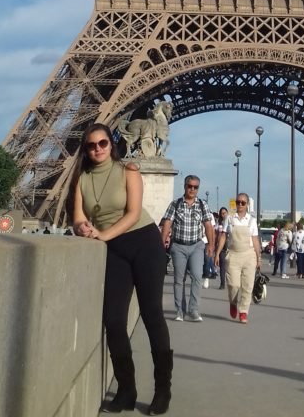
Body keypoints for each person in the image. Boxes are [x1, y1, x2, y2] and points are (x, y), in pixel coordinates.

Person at [71, 123, 172, 415]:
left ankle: (163, 390)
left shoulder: (128, 170)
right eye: (91, 145)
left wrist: (102, 234)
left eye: (102, 143)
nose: (97, 149)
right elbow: (78, 215)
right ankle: (127, 390)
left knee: (152, 314)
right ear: (85, 149)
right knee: (113, 320)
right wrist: (83, 226)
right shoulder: (82, 178)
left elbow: (133, 212)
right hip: (115, 249)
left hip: (143, 243)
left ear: (111, 145)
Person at [161, 175, 214, 322]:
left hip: (196, 246)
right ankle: (180, 311)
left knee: (197, 277)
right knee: (179, 280)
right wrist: (161, 242)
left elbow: (208, 226)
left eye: (195, 187)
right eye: (189, 186)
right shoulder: (175, 204)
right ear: (185, 186)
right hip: (178, 246)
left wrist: (211, 244)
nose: (192, 189)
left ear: (198, 189)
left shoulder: (202, 205)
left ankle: (194, 310)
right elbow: (167, 224)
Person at [214, 192, 261, 323]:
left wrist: (259, 257)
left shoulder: (252, 220)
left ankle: (244, 312)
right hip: (233, 254)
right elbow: (223, 236)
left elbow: (255, 239)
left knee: (247, 286)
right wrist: (217, 253)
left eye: (243, 203)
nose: (240, 204)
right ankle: (233, 303)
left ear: (247, 205)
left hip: (249, 255)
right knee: (233, 284)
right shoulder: (229, 218)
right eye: (238, 202)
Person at [214, 207, 229, 289]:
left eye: (224, 213)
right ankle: (222, 283)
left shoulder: (230, 222)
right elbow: (216, 235)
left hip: (229, 247)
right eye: (222, 213)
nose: (223, 215)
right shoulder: (218, 224)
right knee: (222, 265)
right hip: (221, 247)